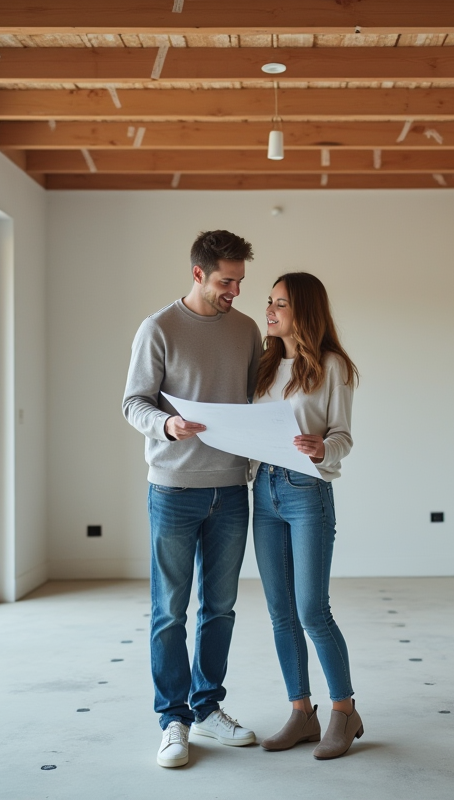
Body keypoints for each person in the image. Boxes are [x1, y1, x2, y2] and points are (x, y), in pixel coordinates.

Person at [121, 230, 262, 768]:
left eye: (240, 281)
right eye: (227, 281)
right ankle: (173, 720)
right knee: (169, 612)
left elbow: (257, 399)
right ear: (198, 274)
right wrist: (167, 423)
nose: (235, 291)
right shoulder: (158, 328)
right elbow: (133, 403)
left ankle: (208, 708)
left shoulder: (247, 330)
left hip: (230, 489)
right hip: (174, 490)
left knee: (219, 609)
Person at [252, 272, 362, 760]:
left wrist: (322, 446)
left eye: (281, 303)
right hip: (263, 491)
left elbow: (343, 435)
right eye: (269, 302)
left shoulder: (332, 366)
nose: (270, 311)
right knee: (280, 613)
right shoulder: (262, 365)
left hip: (306, 490)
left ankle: (344, 712)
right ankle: (302, 712)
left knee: (312, 610)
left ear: (305, 311)